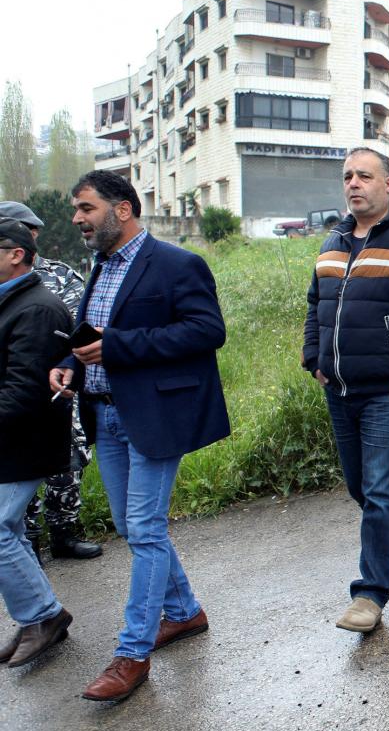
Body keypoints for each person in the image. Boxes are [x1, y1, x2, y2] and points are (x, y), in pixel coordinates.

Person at [53, 171, 230, 702]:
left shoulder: (177, 264)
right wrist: (68, 363)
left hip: (155, 415)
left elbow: (207, 331)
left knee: (146, 530)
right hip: (106, 415)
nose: (78, 219)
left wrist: (120, 346)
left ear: (122, 209)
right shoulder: (101, 265)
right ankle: (183, 612)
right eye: (76, 210)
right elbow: (93, 334)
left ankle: (132, 655)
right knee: (134, 527)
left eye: (86, 208)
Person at [303, 148, 389, 635]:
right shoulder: (331, 243)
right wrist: (312, 358)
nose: (354, 184)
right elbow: (314, 306)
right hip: (340, 389)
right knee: (361, 487)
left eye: (365, 175)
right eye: (348, 176)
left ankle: (369, 594)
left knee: (383, 491)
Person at [0, 202, 102, 561]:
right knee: (17, 476)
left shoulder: (59, 276)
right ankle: (26, 540)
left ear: (32, 235)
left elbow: (81, 326)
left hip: (59, 389)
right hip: (14, 387)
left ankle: (64, 533)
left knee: (67, 465)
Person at [0, 218, 74, 669]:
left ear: (16, 254)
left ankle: (41, 616)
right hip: (10, 441)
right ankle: (40, 616)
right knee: (11, 531)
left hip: (24, 441)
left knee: (0, 530)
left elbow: (24, 390)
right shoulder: (12, 302)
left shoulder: (38, 308)